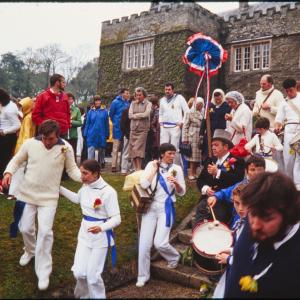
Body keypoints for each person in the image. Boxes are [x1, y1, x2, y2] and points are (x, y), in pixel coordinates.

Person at [2, 120, 81, 291]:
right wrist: (8, 172)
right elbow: (16, 161)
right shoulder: (30, 143)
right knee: (25, 229)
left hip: (49, 198)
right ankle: (30, 251)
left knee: (45, 233)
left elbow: (72, 169)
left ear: (57, 136)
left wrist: (85, 177)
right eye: (44, 138)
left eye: (50, 139)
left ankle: (43, 271)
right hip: (27, 195)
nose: (47, 142)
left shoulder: (65, 148)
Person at [224, 172, 300, 298]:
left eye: (266, 217)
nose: (255, 225)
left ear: (288, 215)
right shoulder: (255, 219)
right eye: (252, 214)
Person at [59, 159, 121, 299]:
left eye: (85, 173)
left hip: (100, 238)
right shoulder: (86, 186)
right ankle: (84, 296)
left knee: (93, 277)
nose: (81, 176)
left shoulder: (109, 192)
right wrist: (59, 188)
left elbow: (117, 219)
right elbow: (77, 199)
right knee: (79, 273)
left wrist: (101, 227)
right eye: (81, 172)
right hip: (84, 235)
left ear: (96, 173)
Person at [136, 143, 186, 287]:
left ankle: (174, 256)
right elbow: (143, 184)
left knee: (160, 242)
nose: (172, 156)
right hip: (150, 208)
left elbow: (182, 192)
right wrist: (154, 170)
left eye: (174, 153)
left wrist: (176, 183)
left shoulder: (177, 169)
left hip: (166, 208)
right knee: (144, 244)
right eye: (170, 153)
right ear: (162, 154)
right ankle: (142, 276)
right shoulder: (151, 165)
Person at [195, 129, 245, 226]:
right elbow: (200, 180)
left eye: (216, 145)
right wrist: (206, 189)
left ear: (226, 146)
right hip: (207, 199)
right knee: (200, 218)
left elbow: (238, 181)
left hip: (225, 202)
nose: (213, 147)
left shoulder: (237, 161)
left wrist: (218, 173)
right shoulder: (210, 160)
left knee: (218, 218)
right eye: (212, 145)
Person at [207, 155, 266, 228]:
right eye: (252, 170)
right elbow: (226, 192)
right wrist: (215, 196)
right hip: (237, 224)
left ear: (264, 171)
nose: (256, 173)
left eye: (259, 170)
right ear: (247, 172)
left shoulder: (269, 188)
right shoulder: (242, 185)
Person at [212, 183, 248, 298]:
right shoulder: (241, 221)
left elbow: (251, 260)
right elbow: (242, 249)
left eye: (245, 204)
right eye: (237, 203)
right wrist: (231, 250)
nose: (241, 208)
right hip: (233, 271)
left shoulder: (255, 227)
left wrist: (228, 259)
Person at [275, 78, 300, 190]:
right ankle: (289, 183)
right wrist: (277, 126)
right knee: (288, 158)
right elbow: (278, 119)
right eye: (287, 91)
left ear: (295, 88)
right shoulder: (283, 103)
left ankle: (298, 184)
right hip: (289, 131)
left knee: (299, 158)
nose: (289, 93)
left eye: (291, 90)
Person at [9, 97, 37, 197]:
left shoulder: (28, 118)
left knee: (19, 169)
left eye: (22, 107)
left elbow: (26, 135)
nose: (21, 109)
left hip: (22, 147)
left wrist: (25, 149)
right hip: (24, 146)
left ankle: (14, 192)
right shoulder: (29, 116)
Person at [159, 83, 189, 166]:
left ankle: (176, 168)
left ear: (173, 90)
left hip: (175, 126)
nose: (167, 91)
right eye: (166, 89)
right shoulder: (162, 100)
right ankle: (163, 166)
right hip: (164, 126)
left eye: (169, 89)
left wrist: (182, 122)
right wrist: (161, 123)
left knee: (174, 148)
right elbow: (160, 113)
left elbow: (187, 111)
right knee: (163, 147)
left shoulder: (179, 98)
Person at [32, 73, 70, 138]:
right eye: (63, 82)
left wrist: (67, 126)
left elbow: (68, 113)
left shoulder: (65, 96)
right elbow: (35, 115)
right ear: (57, 83)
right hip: (47, 134)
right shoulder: (43, 96)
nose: (65, 84)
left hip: (63, 133)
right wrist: (45, 127)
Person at [128, 87, 152, 171]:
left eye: (140, 95)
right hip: (133, 129)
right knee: (133, 148)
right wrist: (139, 115)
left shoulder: (148, 104)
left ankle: (139, 167)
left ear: (144, 95)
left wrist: (136, 115)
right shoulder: (132, 103)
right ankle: (135, 168)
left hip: (143, 129)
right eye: (137, 95)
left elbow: (146, 114)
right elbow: (130, 115)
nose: (138, 96)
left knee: (139, 149)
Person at [0, 88, 21, 181]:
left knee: (4, 160)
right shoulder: (5, 105)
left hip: (7, 138)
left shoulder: (9, 109)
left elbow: (17, 125)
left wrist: (5, 131)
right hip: (4, 136)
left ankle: (4, 182)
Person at [182, 97, 204, 180]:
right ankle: (191, 173)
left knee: (197, 156)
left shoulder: (203, 112)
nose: (200, 106)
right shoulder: (190, 112)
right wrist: (185, 138)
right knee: (192, 156)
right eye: (198, 105)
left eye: (201, 105)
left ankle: (195, 172)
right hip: (192, 135)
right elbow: (185, 126)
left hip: (200, 136)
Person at [83, 96, 109, 168]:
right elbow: (87, 123)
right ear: (94, 102)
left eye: (99, 101)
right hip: (91, 133)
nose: (97, 102)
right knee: (91, 149)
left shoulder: (105, 111)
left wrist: (107, 133)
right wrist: (85, 133)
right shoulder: (90, 112)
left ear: (101, 101)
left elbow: (106, 123)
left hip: (102, 133)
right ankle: (89, 165)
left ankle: (102, 162)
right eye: (96, 101)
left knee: (102, 149)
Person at [109, 88, 130, 172]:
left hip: (125, 128)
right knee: (116, 148)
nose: (128, 94)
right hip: (117, 127)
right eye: (127, 93)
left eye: (129, 93)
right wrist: (115, 122)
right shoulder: (115, 102)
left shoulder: (128, 103)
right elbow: (111, 114)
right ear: (122, 94)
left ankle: (122, 165)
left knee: (125, 147)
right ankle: (113, 165)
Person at [66, 92, 82, 159]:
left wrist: (71, 121)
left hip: (73, 135)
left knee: (73, 153)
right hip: (64, 135)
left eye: (71, 99)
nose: (70, 101)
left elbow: (79, 122)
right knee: (64, 153)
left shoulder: (76, 110)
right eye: (68, 99)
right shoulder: (62, 108)